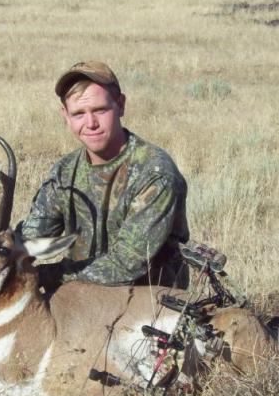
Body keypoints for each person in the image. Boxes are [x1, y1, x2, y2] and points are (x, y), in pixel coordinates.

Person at [18, 61, 190, 291]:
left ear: (120, 105)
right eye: (78, 114)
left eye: (100, 110)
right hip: (80, 297)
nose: (91, 124)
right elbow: (29, 240)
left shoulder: (155, 173)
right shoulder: (64, 171)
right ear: (65, 116)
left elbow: (126, 265)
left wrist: (42, 276)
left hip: (147, 301)